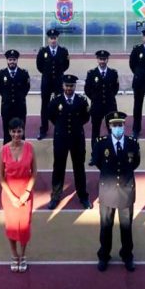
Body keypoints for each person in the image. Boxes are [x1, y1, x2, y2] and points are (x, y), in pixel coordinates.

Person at [91, 111, 140, 273]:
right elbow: (98, 162)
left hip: (126, 189)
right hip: (108, 189)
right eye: (115, 125)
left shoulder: (132, 143)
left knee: (126, 227)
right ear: (109, 127)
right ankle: (104, 255)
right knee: (106, 226)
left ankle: (127, 255)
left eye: (120, 125)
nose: (118, 128)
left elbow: (135, 163)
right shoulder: (101, 144)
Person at [0, 118, 37, 273]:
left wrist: (27, 193)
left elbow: (34, 172)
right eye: (13, 131)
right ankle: (14, 254)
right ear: (9, 132)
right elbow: (0, 176)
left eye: (19, 131)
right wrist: (12, 197)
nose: (16, 134)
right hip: (9, 193)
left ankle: (23, 254)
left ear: (23, 131)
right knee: (12, 225)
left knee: (25, 225)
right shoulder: (3, 150)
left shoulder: (30, 148)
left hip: (26, 191)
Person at [47, 74, 91, 210]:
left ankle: (83, 196)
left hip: (77, 138)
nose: (69, 88)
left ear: (75, 86)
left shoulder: (82, 101)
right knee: (58, 168)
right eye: (66, 86)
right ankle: (55, 196)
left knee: (79, 168)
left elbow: (85, 118)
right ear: (63, 86)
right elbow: (52, 117)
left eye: (71, 86)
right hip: (61, 138)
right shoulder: (56, 101)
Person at [36, 29, 69, 140]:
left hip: (59, 82)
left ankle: (60, 127)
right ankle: (44, 129)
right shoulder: (42, 51)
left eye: (55, 38)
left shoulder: (63, 51)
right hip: (46, 82)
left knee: (60, 104)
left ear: (57, 39)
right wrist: (48, 74)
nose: (53, 40)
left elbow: (66, 65)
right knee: (44, 105)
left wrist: (58, 75)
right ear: (48, 39)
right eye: (51, 38)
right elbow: (39, 66)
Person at [84, 50, 119, 147]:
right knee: (95, 130)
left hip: (110, 105)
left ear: (107, 60)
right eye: (100, 59)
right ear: (97, 59)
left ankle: (113, 151)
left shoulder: (113, 73)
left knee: (112, 129)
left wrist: (109, 97)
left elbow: (115, 88)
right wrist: (95, 98)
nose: (102, 61)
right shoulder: (91, 73)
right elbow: (87, 89)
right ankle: (95, 153)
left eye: (104, 59)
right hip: (97, 106)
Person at [0, 50, 31, 144]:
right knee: (7, 130)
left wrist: (20, 97)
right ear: (7, 60)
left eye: (14, 59)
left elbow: (26, 88)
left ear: (17, 60)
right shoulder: (1, 74)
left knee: (21, 130)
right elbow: (0, 88)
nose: (12, 61)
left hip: (20, 107)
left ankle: (23, 150)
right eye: (10, 59)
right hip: (7, 107)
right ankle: (6, 149)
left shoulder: (23, 73)